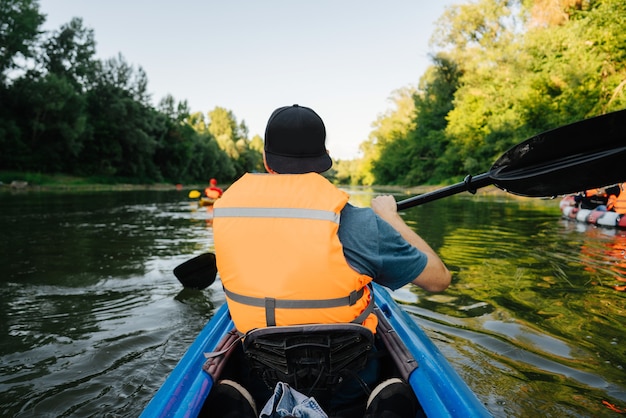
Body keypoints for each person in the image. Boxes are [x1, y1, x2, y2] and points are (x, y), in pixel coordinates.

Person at [209, 104, 451, 418]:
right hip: (350, 376)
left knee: (247, 367)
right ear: (324, 161)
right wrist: (391, 219)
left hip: (264, 370)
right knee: (369, 372)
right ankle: (371, 403)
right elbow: (439, 279)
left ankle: (253, 401)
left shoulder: (231, 213)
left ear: (267, 161)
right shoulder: (360, 223)